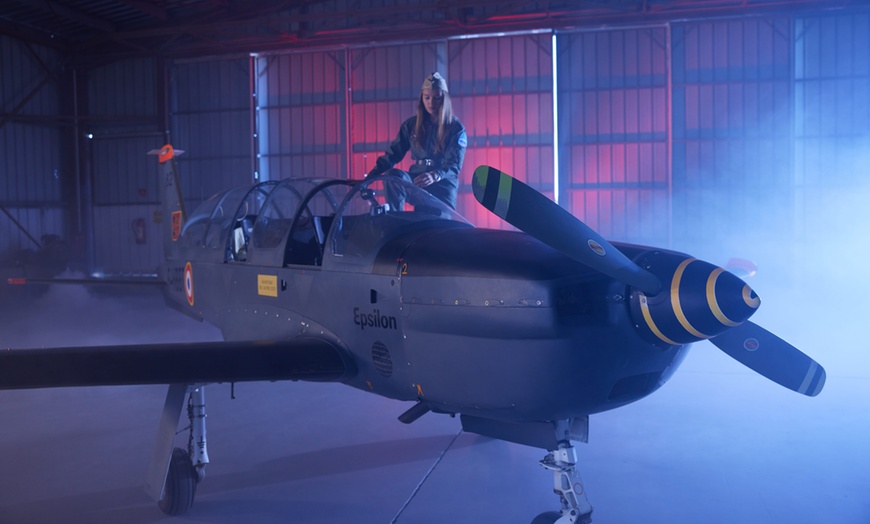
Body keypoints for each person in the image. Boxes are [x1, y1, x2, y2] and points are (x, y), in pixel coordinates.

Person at [367, 72, 467, 209]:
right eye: (427, 98)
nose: (431, 103)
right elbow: (392, 155)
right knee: (393, 176)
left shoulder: (455, 128)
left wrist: (435, 175)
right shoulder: (411, 126)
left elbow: (454, 165)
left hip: (442, 187)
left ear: (444, 100)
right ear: (422, 99)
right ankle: (396, 220)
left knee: (441, 228)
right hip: (417, 183)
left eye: (436, 98)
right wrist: (368, 179)